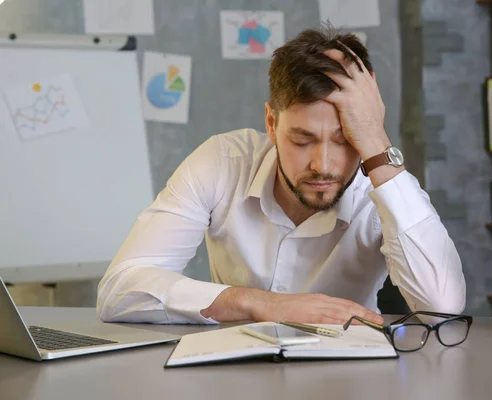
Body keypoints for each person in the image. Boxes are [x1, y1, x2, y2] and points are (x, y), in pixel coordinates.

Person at [97, 28, 466, 326]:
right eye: (302, 140)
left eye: (345, 139)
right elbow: (119, 290)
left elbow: (443, 307)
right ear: (271, 123)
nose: (323, 164)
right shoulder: (222, 161)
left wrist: (376, 142)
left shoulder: (385, 188)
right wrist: (261, 304)